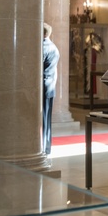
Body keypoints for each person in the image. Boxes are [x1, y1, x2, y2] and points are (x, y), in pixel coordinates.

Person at [42, 22, 59, 156]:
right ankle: (47, 147)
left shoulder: (43, 47)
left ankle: (42, 147)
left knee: (43, 118)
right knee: (47, 118)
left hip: (43, 85)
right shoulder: (53, 46)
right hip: (50, 85)